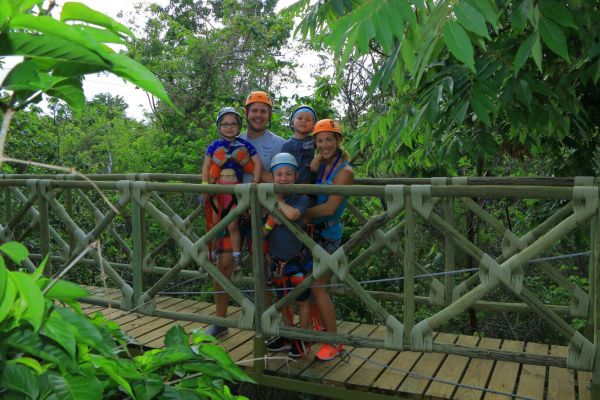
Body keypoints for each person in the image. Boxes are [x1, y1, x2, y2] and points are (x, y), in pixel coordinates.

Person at [202, 107, 261, 338]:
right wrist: (205, 188)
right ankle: (221, 321)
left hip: (243, 196)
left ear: (239, 125)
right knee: (218, 233)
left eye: (232, 123)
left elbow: (257, 164)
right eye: (224, 123)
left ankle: (266, 324)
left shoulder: (244, 146)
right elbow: (206, 168)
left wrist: (255, 183)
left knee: (264, 265)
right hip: (220, 192)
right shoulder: (215, 146)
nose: (229, 127)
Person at [306, 119, 354, 361]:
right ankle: (320, 329)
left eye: (329, 139)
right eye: (320, 140)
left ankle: (335, 343)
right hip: (314, 233)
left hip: (329, 233)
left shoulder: (344, 172)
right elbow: (312, 170)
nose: (324, 144)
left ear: (338, 141)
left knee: (319, 286)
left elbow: (329, 208)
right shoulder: (323, 164)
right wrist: (317, 160)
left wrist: (300, 215)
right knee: (309, 284)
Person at [263, 153, 312, 358]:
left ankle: (302, 338)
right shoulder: (266, 198)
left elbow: (293, 215)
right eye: (279, 174)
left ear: (296, 175)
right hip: (277, 260)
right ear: (273, 177)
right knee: (282, 300)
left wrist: (277, 201)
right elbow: (262, 230)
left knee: (302, 301)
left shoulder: (300, 196)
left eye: (288, 174)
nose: (284, 178)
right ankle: (288, 335)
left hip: (297, 260)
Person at [239, 91, 285, 183]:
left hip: (267, 197)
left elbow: (282, 183)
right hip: (238, 197)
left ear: (269, 115)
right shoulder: (236, 142)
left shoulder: (279, 144)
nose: (259, 115)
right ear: (246, 113)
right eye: (254, 110)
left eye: (263, 111)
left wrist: (249, 165)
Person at [281, 105, 317, 184]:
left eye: (308, 120)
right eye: (300, 118)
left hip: (312, 184)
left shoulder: (314, 141)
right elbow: (282, 166)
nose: (303, 121)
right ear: (292, 123)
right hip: (294, 186)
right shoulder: (287, 145)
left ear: (313, 127)